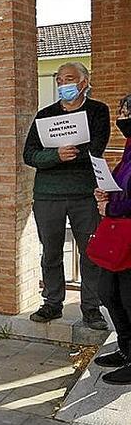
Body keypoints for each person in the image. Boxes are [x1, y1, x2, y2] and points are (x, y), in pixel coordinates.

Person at [23, 62, 110, 330]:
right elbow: (29, 154)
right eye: (59, 80)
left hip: (85, 194)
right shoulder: (44, 115)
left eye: (69, 79)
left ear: (84, 83)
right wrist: (55, 155)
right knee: (51, 252)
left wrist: (73, 155)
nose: (64, 84)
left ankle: (91, 308)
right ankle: (52, 303)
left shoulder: (97, 111)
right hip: (48, 195)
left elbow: (97, 146)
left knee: (90, 252)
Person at [92, 95, 131, 385]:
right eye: (121, 111)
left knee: (129, 299)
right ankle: (126, 348)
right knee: (109, 292)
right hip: (119, 236)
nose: (122, 117)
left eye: (127, 111)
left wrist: (112, 206)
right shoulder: (129, 149)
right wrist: (106, 194)